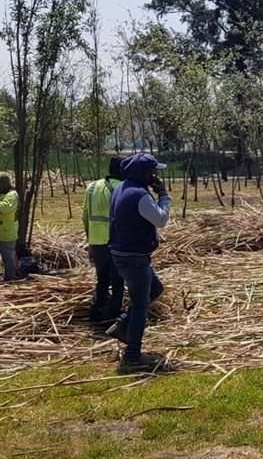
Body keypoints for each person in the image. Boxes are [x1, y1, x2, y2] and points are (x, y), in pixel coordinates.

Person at [107, 154, 171, 372]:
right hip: (134, 257)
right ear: (144, 174)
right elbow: (161, 220)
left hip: (121, 253)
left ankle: (122, 324)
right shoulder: (140, 195)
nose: (156, 176)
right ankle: (133, 354)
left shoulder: (122, 188)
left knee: (155, 289)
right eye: (153, 172)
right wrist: (163, 195)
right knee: (141, 304)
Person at [83, 157, 125, 323]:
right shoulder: (122, 188)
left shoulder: (92, 187)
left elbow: (85, 216)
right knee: (117, 280)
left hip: (96, 241)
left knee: (102, 279)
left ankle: (95, 312)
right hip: (115, 241)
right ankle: (114, 315)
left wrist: (90, 240)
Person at [0, 173, 19, 282]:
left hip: (7, 232)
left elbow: (6, 208)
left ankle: (11, 278)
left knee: (8, 257)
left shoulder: (12, 195)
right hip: (1, 231)